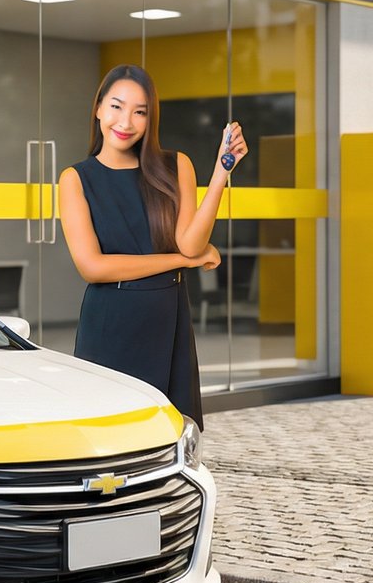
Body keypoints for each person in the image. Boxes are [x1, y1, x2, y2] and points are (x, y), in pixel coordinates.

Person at [57, 64, 247, 428]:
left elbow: (192, 246)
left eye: (139, 112)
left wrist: (222, 173)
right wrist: (180, 261)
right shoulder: (76, 179)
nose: (125, 121)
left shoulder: (176, 166)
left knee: (174, 433)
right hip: (111, 323)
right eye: (116, 106)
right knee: (111, 435)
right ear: (97, 108)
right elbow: (93, 267)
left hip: (168, 318)